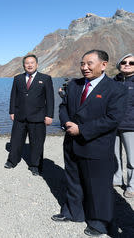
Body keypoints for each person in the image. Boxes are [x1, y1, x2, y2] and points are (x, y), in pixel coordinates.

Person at [51, 50, 127, 237]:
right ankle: (73, 212)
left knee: (98, 186)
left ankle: (99, 223)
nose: (85, 67)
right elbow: (63, 107)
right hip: (71, 142)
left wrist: (82, 130)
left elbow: (113, 118)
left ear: (103, 65)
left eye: (89, 63)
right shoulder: (75, 85)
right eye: (82, 64)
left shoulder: (116, 89)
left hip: (96, 145)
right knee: (73, 180)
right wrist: (66, 122)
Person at [4, 54, 54, 176]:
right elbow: (13, 96)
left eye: (32, 63)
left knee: (37, 143)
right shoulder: (18, 79)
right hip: (20, 117)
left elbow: (50, 99)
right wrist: (12, 111)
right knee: (15, 140)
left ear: (37, 64)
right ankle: (12, 161)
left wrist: (49, 115)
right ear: (23, 65)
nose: (29, 65)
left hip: (38, 117)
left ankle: (35, 165)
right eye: (27, 63)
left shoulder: (45, 78)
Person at [113, 53, 134, 198]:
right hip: (113, 125)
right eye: (124, 62)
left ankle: (132, 186)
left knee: (132, 158)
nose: (127, 64)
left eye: (131, 63)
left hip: (131, 125)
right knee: (114, 155)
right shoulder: (114, 81)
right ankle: (116, 179)